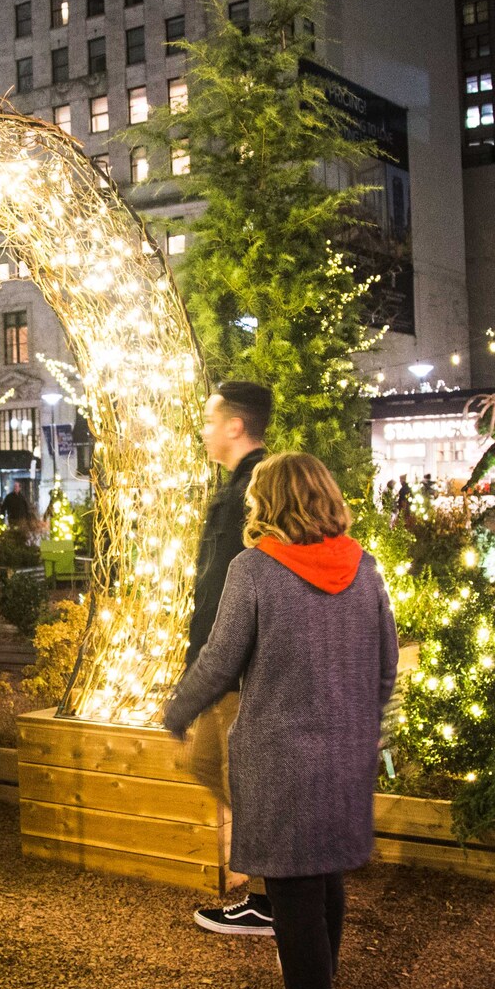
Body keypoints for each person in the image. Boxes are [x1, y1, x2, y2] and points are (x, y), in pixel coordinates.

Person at [164, 452, 398, 989]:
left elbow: (219, 659)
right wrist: (367, 731)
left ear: (270, 503)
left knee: (293, 891)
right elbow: (386, 666)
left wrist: (176, 710)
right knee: (325, 879)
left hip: (280, 756)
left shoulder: (255, 569)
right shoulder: (366, 569)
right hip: (348, 753)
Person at [182, 380, 272, 935]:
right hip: (220, 659)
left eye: (213, 419)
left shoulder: (255, 491)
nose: (205, 428)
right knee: (206, 765)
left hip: (240, 663)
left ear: (236, 425)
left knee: (242, 777)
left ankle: (274, 895)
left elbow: (247, 586)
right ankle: (274, 878)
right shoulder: (235, 487)